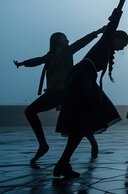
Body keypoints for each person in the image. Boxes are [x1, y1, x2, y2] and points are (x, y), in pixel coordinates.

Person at [53, 0, 128, 178]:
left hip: (84, 78)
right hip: (82, 78)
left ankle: (63, 164)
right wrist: (122, 2)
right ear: (116, 37)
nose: (123, 47)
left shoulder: (107, 49)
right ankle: (63, 164)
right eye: (123, 43)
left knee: (80, 126)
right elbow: (113, 21)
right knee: (82, 122)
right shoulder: (106, 40)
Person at [14, 26, 105, 163]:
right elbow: (38, 60)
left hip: (64, 91)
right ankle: (44, 144)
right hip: (53, 91)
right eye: (64, 38)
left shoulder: (68, 52)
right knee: (75, 118)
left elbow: (82, 42)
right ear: (57, 41)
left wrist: (98, 32)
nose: (68, 40)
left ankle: (89, 144)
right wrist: (22, 63)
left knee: (32, 111)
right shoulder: (50, 56)